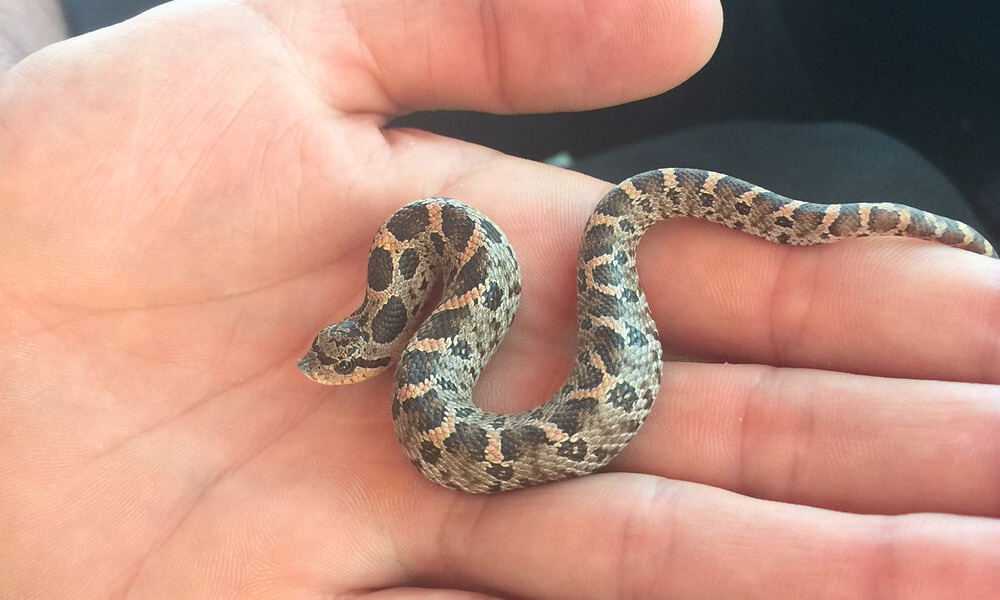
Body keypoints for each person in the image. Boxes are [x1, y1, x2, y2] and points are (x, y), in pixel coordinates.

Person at [1, 1, 997, 597]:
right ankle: (916, 207)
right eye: (338, 355)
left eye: (339, 355)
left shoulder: (441, 249)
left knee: (855, 166)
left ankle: (901, 214)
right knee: (866, 158)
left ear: (376, 343)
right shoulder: (417, 268)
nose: (324, 365)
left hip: (574, 293)